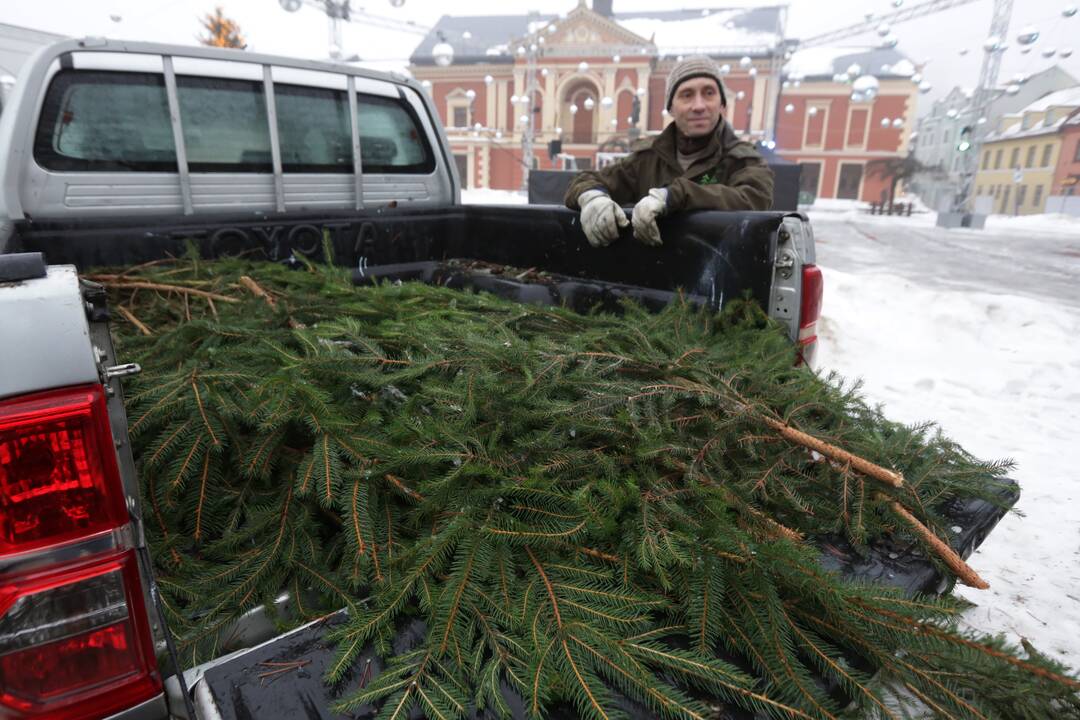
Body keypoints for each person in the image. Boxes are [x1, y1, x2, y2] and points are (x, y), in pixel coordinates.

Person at [564, 56, 774, 247]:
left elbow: (754, 198)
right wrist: (592, 197)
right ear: (671, 108)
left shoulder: (743, 159)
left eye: (709, 93)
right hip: (656, 280)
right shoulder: (648, 157)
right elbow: (589, 179)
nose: (699, 105)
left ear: (722, 103)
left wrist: (675, 196)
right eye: (687, 95)